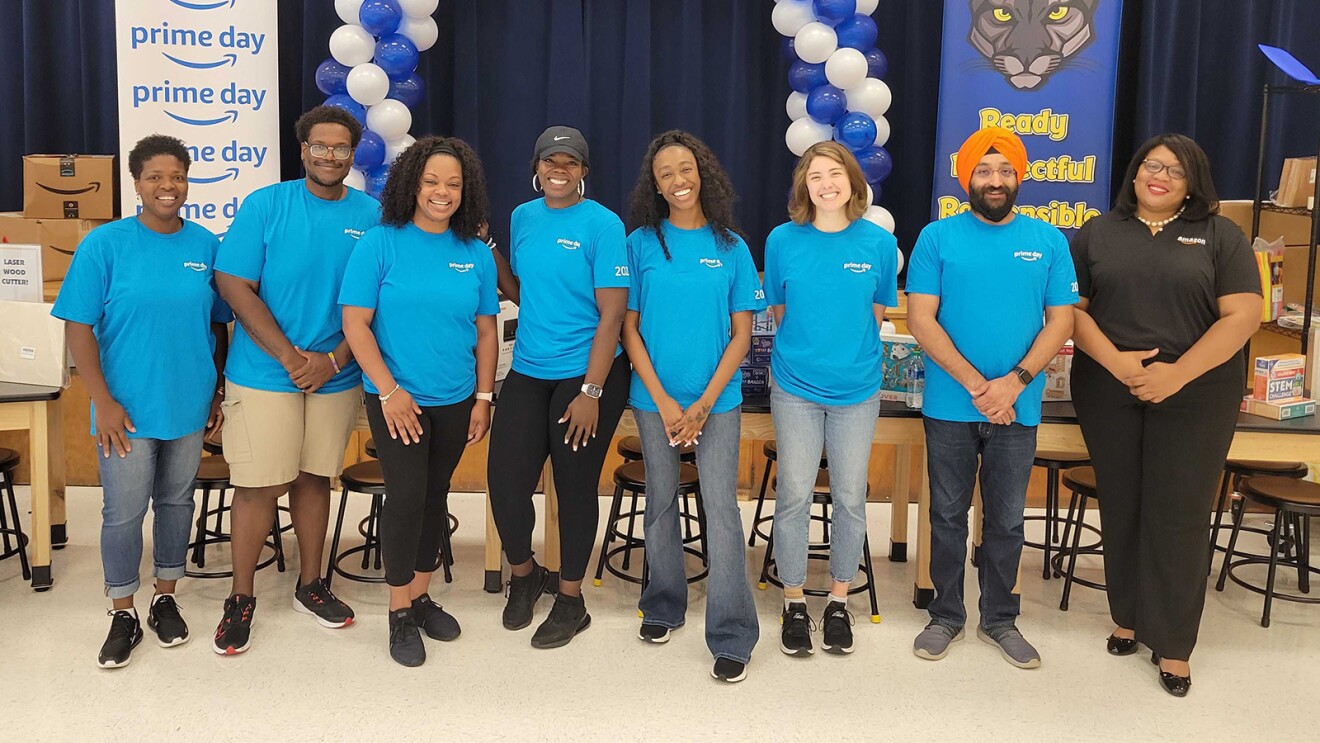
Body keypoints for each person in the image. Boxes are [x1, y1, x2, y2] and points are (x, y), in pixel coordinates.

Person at [1069, 134, 1261, 697]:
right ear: (1133, 173)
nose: (1160, 176)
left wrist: (1175, 374)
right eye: (1152, 166)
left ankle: (1174, 644)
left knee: (1178, 512)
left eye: (1176, 172)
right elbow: (1070, 312)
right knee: (1123, 503)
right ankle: (1127, 618)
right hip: (1109, 386)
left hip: (1197, 391)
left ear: (1192, 183)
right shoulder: (1097, 234)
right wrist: (1120, 365)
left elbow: (1243, 316)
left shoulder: (1222, 237)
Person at [53, 134, 231, 668]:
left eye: (176, 175)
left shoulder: (205, 246)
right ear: (136, 183)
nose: (167, 186)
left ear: (187, 180)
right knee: (123, 512)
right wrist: (101, 401)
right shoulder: (104, 245)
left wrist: (216, 389)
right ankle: (123, 609)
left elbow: (219, 325)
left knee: (177, 504)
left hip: (189, 404)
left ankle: (166, 597)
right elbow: (79, 327)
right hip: (123, 410)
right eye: (154, 176)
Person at [905, 127, 1077, 669]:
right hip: (951, 406)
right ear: (967, 179)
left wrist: (1014, 383)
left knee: (1006, 521)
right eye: (985, 170)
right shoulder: (937, 238)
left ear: (1020, 177)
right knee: (948, 515)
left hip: (1018, 406)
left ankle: (1000, 620)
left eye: (1005, 171)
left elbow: (1062, 321)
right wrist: (981, 387)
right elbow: (920, 319)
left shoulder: (1050, 240)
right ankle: (947, 616)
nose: (995, 180)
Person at [211, 105, 380, 655]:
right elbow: (234, 284)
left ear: (353, 154)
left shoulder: (373, 215)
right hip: (265, 373)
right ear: (303, 149)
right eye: (319, 146)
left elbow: (379, 298)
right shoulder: (267, 205)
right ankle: (242, 598)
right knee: (259, 484)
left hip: (337, 373)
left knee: (314, 479)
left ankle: (312, 585)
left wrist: (331, 360)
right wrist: (290, 356)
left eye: (340, 147)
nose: (330, 156)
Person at [340, 136, 499, 667]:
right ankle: (398, 611)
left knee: (435, 495)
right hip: (395, 401)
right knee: (406, 497)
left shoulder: (474, 253)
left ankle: (421, 593)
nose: (442, 192)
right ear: (411, 184)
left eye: (453, 183)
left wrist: (483, 398)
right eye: (431, 180)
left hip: (455, 400)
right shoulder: (379, 244)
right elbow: (355, 325)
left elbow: (486, 331)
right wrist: (389, 390)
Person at [621, 130, 764, 682]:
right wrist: (663, 400)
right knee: (660, 500)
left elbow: (741, 336)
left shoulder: (731, 246)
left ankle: (732, 633)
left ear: (702, 173)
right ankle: (663, 604)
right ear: (653, 185)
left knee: (721, 511)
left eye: (685, 169)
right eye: (665, 174)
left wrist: (702, 404)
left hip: (718, 403)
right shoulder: (640, 244)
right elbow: (628, 331)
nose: (677, 181)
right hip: (653, 400)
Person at [486, 126, 631, 649]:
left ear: (584, 171)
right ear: (538, 166)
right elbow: (522, 292)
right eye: (551, 161)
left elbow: (612, 313)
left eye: (570, 163)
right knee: (505, 481)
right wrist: (490, 252)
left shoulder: (604, 225)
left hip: (588, 372)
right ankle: (525, 576)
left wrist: (591, 392)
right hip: (529, 367)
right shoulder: (523, 217)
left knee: (572, 486)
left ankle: (571, 599)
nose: (559, 170)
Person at [763, 141, 898, 657]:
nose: (825, 184)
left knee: (849, 497)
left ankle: (839, 601)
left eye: (834, 173)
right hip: (795, 388)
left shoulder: (878, 245)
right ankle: (794, 601)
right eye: (815, 175)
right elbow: (780, 311)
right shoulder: (782, 241)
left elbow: (878, 314)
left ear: (852, 181)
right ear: (804, 185)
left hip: (857, 391)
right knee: (794, 494)